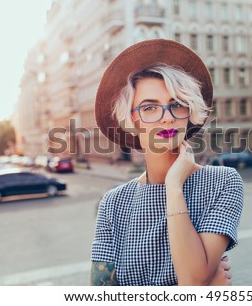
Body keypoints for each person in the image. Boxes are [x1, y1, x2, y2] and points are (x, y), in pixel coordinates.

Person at [91, 39, 244, 286]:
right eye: (150, 108)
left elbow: (192, 281)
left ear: (190, 111)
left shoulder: (222, 183)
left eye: (177, 105)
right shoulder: (114, 203)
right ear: (132, 119)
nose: (167, 118)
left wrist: (174, 185)